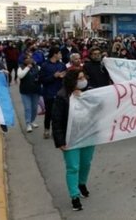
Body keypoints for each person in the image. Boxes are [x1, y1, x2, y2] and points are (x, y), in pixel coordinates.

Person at [51, 69, 94, 211]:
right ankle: (74, 196)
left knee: (86, 163)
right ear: (72, 81)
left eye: (83, 77)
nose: (83, 80)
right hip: (70, 137)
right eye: (79, 78)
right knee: (73, 166)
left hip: (87, 134)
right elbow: (56, 120)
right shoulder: (62, 96)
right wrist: (60, 140)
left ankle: (82, 183)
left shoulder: (89, 92)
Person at [39, 47, 67, 139]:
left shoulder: (62, 65)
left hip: (60, 92)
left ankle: (58, 131)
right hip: (49, 93)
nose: (60, 55)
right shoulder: (45, 65)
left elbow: (66, 76)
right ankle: (47, 129)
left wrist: (64, 76)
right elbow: (42, 80)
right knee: (49, 113)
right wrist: (54, 76)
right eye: (59, 53)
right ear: (55, 54)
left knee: (61, 113)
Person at [18, 55, 41, 133]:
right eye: (27, 58)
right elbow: (20, 76)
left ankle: (32, 121)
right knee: (28, 108)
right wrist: (27, 68)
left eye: (30, 58)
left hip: (35, 90)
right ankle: (28, 123)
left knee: (34, 108)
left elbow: (41, 75)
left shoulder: (37, 67)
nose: (29, 59)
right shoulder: (21, 67)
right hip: (25, 91)